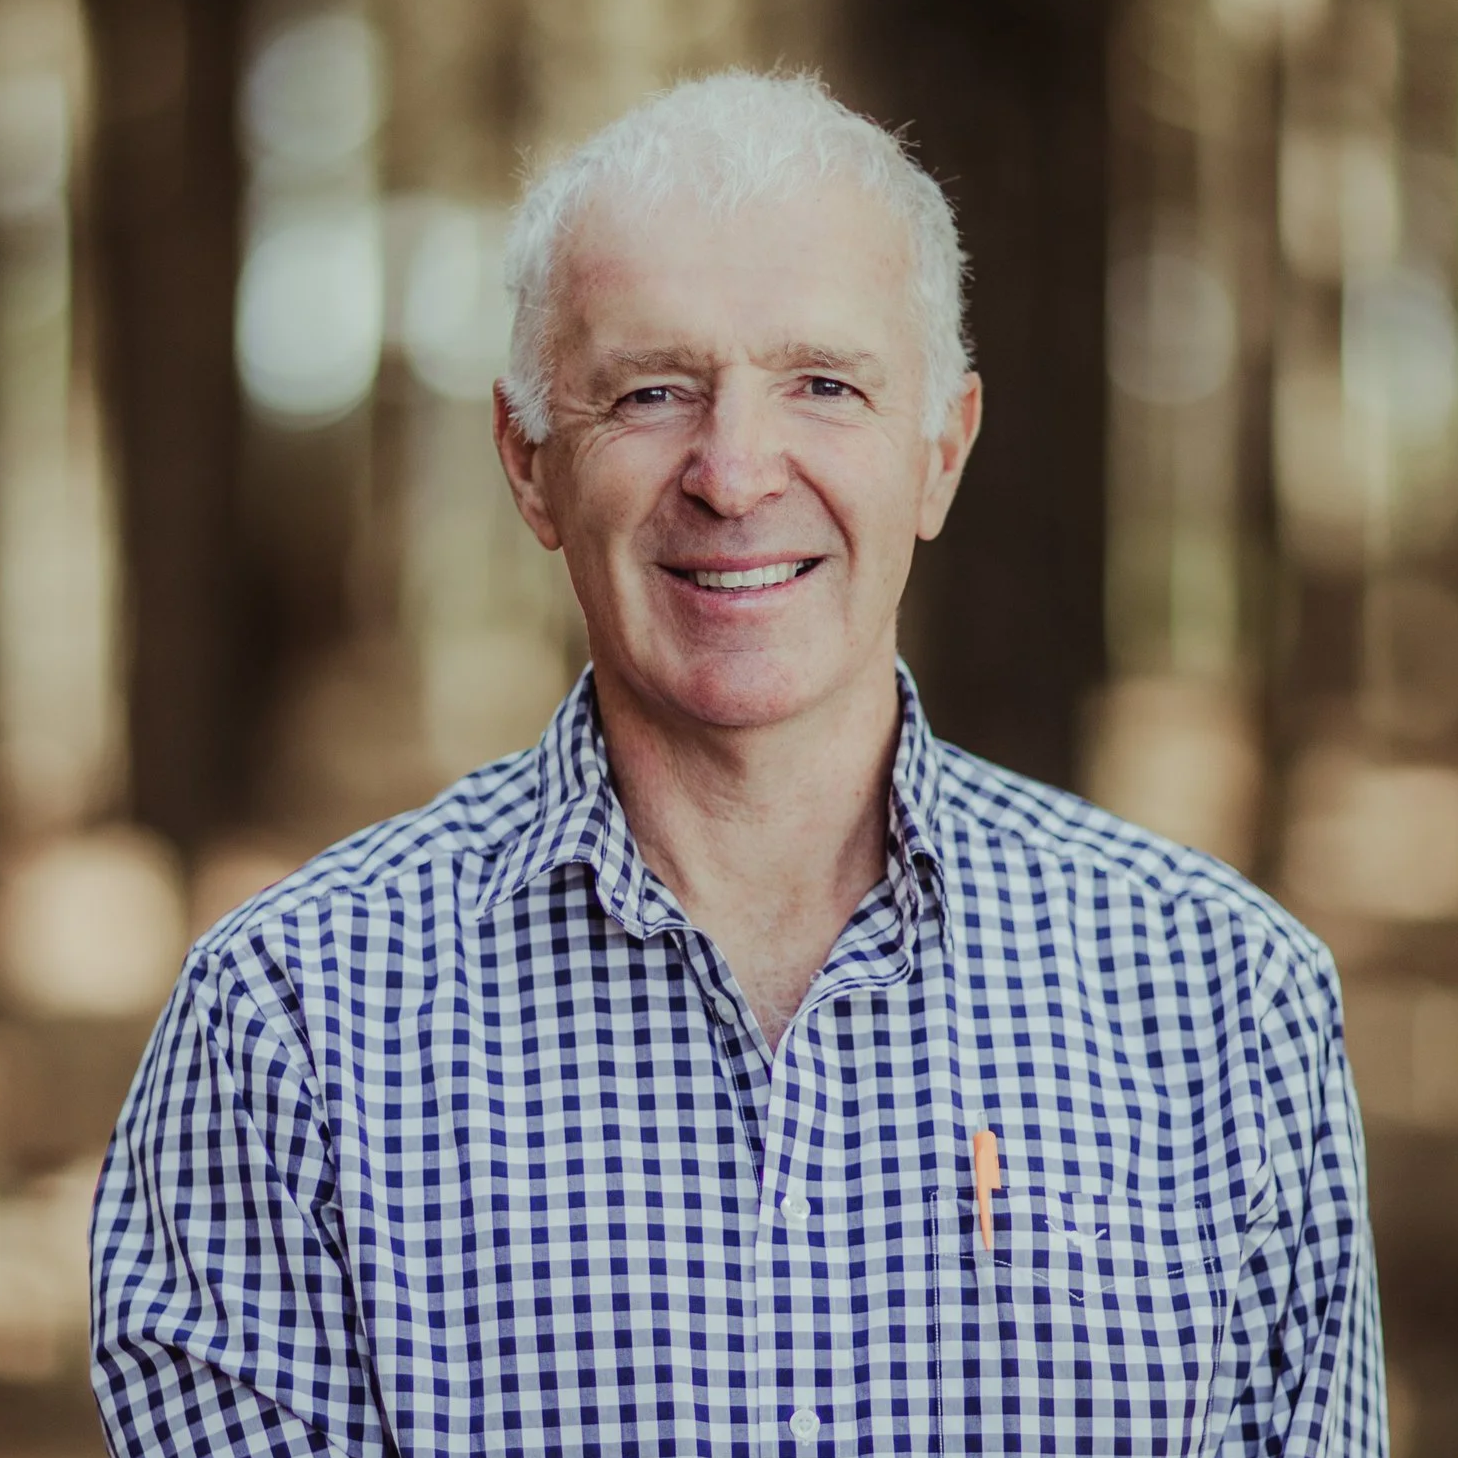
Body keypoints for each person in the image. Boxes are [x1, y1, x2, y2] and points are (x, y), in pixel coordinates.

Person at [91, 71, 1386, 1456]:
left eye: (822, 384)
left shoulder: (1228, 1008)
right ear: (527, 464)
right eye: (652, 391)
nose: (733, 469)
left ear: (938, 454)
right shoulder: (289, 1029)